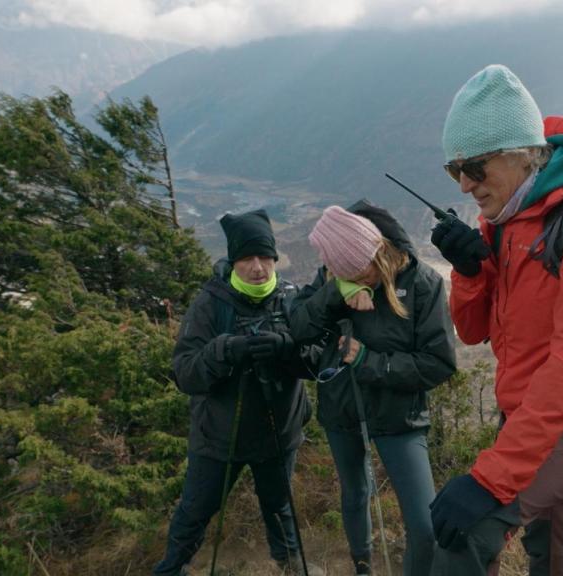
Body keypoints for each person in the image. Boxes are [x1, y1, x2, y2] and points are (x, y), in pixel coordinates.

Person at [427, 64, 563, 575]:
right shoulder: (504, 213)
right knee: (548, 542)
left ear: (522, 151)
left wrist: (489, 480)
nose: (464, 185)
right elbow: (475, 330)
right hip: (528, 404)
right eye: (454, 169)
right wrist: (469, 270)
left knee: (468, 536)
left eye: (475, 168)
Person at [290, 200, 456, 576]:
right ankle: (362, 566)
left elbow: (439, 363)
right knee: (355, 495)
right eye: (343, 272)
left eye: (359, 271)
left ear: (378, 253)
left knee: (424, 527)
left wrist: (369, 362)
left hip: (401, 418)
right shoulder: (336, 276)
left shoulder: (423, 283)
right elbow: (298, 328)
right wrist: (334, 293)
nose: (357, 279)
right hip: (342, 409)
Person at [154, 209, 321, 576]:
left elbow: (319, 362)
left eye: (265, 257)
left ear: (275, 259)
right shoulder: (211, 305)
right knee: (196, 511)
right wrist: (223, 352)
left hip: (278, 436)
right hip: (219, 439)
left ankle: (293, 569)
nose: (258, 267)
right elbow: (185, 374)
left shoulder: (291, 299)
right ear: (233, 261)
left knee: (280, 509)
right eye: (247, 258)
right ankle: (170, 569)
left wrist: (286, 349)